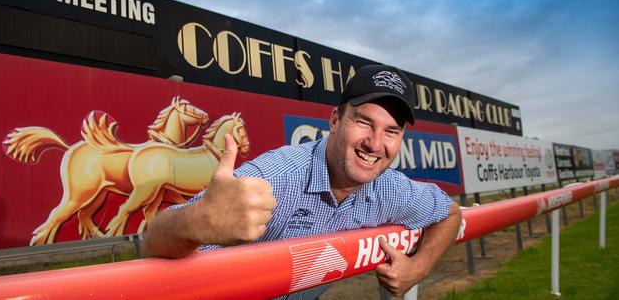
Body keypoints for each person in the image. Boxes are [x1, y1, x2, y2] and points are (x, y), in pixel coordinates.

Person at [143, 64, 462, 297]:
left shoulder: (388, 187)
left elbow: (448, 213)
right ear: (335, 121)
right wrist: (195, 222)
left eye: (391, 131)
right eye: (364, 122)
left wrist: (418, 267)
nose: (376, 143)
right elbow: (151, 248)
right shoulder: (275, 178)